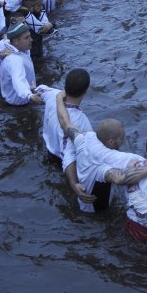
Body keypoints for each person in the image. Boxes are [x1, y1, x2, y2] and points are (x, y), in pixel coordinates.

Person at [40, 69, 96, 210]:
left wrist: (33, 90)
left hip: (50, 151)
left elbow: (41, 90)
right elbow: (68, 152)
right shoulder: (80, 120)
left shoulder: (53, 95)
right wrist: (73, 183)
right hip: (63, 161)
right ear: (86, 90)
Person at [0, 22, 44, 106]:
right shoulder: (14, 59)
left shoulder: (17, 48)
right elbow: (18, 80)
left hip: (21, 95)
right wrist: (29, 95)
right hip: (19, 103)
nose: (31, 39)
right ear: (15, 41)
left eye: (30, 36)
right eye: (27, 37)